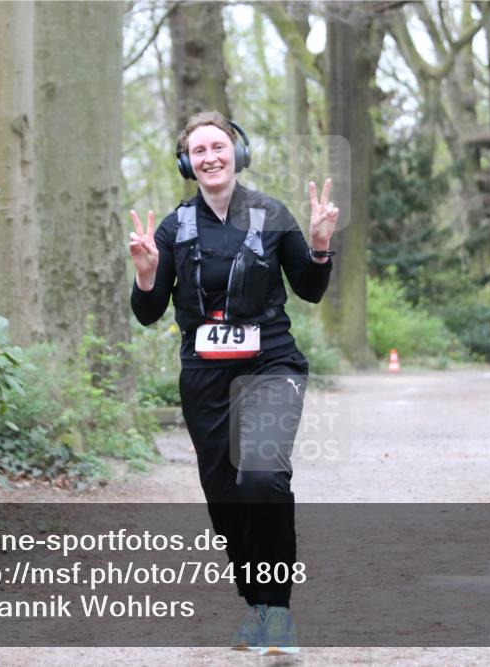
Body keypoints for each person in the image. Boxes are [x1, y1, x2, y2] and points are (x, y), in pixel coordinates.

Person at [127, 111, 338, 656]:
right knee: (225, 498)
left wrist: (318, 247)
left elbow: (310, 290)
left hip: (271, 363)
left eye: (218, 146)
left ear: (236, 153)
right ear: (186, 163)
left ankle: (279, 614)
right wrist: (147, 274)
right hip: (204, 375)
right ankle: (256, 605)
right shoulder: (174, 228)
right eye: (198, 151)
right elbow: (149, 312)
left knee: (262, 481)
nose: (210, 157)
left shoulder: (270, 214)